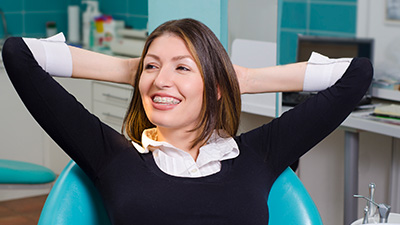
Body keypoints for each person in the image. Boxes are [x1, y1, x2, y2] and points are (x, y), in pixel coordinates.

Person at [2, 18, 372, 225]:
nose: (162, 80)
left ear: (214, 89)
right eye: (153, 66)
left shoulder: (258, 154)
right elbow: (18, 54)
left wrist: (239, 78)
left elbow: (356, 75)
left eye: (182, 67)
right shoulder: (112, 156)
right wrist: (131, 68)